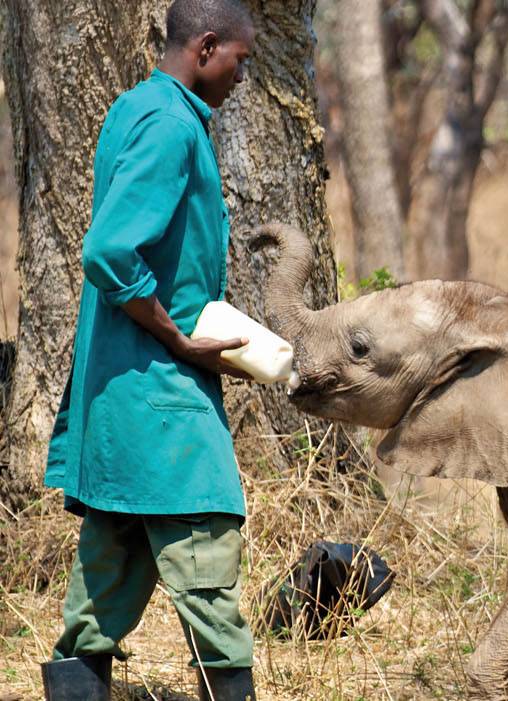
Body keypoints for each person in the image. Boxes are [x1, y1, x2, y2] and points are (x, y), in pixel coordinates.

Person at [38, 1, 259, 699]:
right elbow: (107, 249)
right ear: (206, 46)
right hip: (164, 405)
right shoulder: (170, 127)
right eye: (240, 61)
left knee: (99, 597)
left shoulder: (137, 109)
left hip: (120, 407)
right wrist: (178, 336)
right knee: (209, 567)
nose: (241, 76)